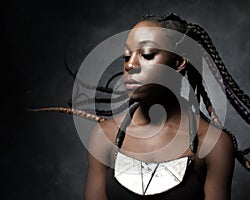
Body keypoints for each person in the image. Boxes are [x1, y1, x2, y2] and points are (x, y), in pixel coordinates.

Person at [83, 13, 235, 200]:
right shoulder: (103, 137)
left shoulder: (213, 144)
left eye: (147, 54)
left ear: (179, 62)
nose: (130, 64)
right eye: (126, 56)